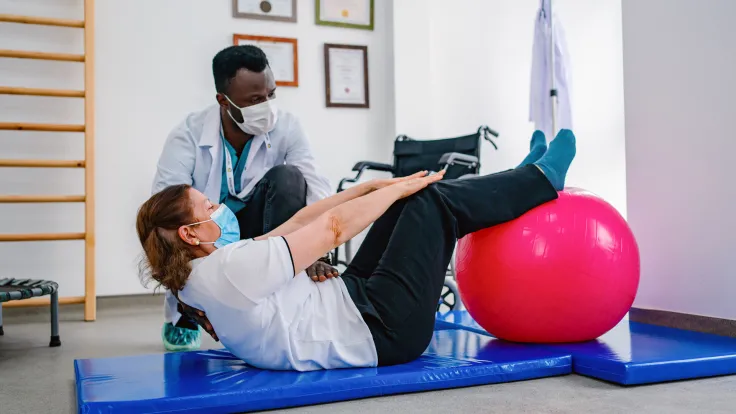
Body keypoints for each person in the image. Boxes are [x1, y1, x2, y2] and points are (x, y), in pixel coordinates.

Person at [136, 129, 576, 371]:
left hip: (350, 304)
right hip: (382, 331)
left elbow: (295, 225)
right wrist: (402, 187)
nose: (218, 208)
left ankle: (518, 184)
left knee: (405, 199)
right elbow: (329, 230)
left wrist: (373, 188)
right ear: (191, 234)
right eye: (208, 207)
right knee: (429, 200)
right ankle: (539, 181)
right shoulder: (228, 270)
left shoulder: (196, 276)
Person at [152, 44, 336, 352]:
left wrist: (318, 252)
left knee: (289, 178)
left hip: (263, 233)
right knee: (178, 219)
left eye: (270, 95)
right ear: (223, 101)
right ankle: (185, 313)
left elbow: (318, 187)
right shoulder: (188, 135)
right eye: (254, 100)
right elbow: (165, 216)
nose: (266, 106)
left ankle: (281, 300)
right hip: (209, 241)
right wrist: (184, 292)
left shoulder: (287, 126)